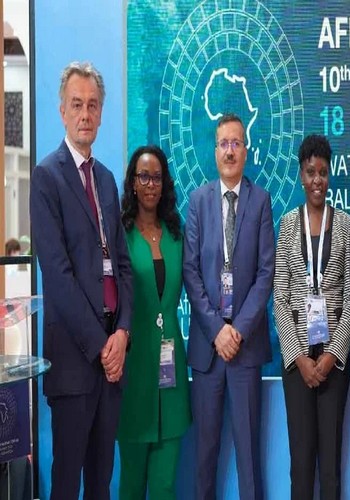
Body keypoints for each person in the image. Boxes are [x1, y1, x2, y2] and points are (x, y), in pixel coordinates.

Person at [30, 61, 133, 499]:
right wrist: (101, 346)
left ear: (101, 113)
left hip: (112, 358)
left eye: (92, 105)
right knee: (67, 483)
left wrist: (122, 333)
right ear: (62, 112)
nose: (85, 114)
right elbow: (57, 275)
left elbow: (122, 266)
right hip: (75, 361)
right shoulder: (46, 178)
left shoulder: (107, 180)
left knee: (101, 484)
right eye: (77, 105)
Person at [183, 113, 275, 500]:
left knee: (248, 456)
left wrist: (236, 330)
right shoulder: (198, 201)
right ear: (215, 150)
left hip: (245, 347)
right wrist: (217, 330)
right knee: (205, 454)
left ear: (246, 150)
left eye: (237, 143)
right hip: (208, 349)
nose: (230, 151)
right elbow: (190, 272)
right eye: (224, 143)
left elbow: (266, 273)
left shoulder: (261, 201)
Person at [273, 134, 350, 499]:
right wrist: (299, 358)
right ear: (301, 176)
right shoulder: (288, 225)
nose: (317, 180)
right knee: (301, 464)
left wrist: (333, 354)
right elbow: (280, 297)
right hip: (298, 363)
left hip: (333, 361)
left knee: (331, 465)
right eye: (311, 172)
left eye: (323, 172)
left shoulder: (346, 225)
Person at [117, 145, 191, 499]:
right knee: (131, 486)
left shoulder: (177, 234)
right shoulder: (120, 234)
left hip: (171, 374)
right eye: (143, 176)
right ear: (133, 182)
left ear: (165, 184)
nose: (150, 184)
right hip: (133, 373)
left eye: (157, 177)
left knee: (164, 486)